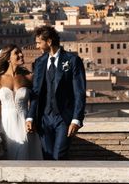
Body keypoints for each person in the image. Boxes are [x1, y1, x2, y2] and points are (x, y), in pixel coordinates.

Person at [26, 25, 86, 160]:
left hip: (64, 119)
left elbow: (79, 92)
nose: (37, 46)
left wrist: (76, 119)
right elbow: (35, 92)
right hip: (43, 119)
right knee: (47, 157)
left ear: (49, 41)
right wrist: (30, 117)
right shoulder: (39, 63)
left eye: (39, 43)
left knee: (59, 156)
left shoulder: (72, 60)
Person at [0, 44, 43, 160]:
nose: (21, 55)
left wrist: (33, 120)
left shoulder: (29, 77)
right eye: (16, 53)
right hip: (6, 124)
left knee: (25, 156)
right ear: (8, 58)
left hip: (25, 123)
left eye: (20, 52)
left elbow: (36, 102)